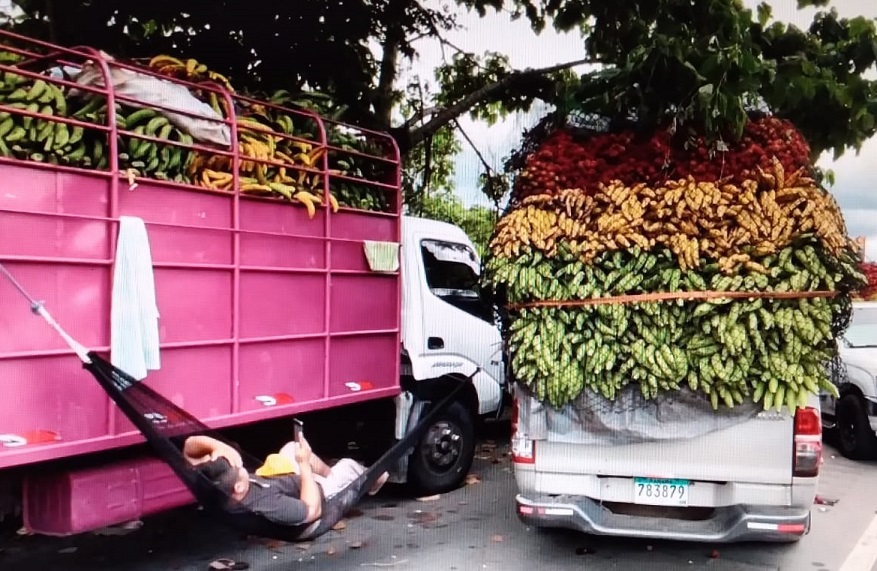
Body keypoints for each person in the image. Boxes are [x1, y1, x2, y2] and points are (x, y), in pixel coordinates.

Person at [182, 431, 389, 531]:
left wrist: (224, 450)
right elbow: (312, 511)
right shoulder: (268, 504)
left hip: (283, 478)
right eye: (240, 470)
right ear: (239, 487)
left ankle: (328, 472)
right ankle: (374, 481)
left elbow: (189, 446)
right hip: (319, 493)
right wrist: (304, 463)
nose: (242, 466)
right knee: (348, 465)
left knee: (291, 447)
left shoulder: (211, 485)